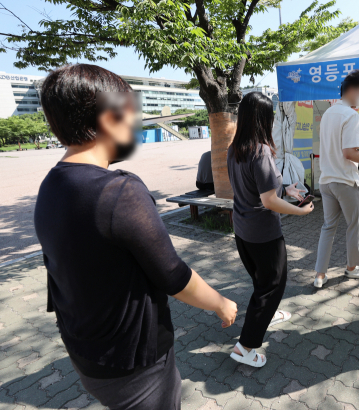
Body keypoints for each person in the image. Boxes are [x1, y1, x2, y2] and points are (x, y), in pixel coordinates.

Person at [34, 64, 238, 410]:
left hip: (85, 350)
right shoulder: (118, 192)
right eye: (130, 115)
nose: (134, 125)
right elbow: (173, 275)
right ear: (109, 119)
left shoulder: (51, 185)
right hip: (134, 363)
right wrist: (221, 303)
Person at [227, 92, 314, 367]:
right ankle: (246, 347)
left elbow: (259, 188)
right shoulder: (260, 150)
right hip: (264, 233)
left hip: (242, 229)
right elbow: (268, 201)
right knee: (272, 286)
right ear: (264, 118)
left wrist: (285, 188)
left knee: (261, 280)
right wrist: (300, 210)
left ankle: (268, 314)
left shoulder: (235, 148)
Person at [314, 70, 359, 288]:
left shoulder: (329, 113)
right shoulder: (351, 115)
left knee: (328, 226)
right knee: (353, 225)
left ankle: (319, 274)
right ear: (352, 90)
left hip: (326, 180)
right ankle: (353, 267)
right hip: (345, 180)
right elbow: (350, 153)